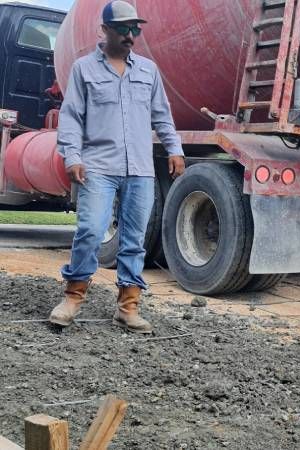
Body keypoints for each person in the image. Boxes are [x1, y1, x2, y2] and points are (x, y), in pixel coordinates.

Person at [48, 1, 185, 334]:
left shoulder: (148, 71)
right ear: (104, 30)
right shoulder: (84, 69)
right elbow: (71, 118)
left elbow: (162, 116)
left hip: (139, 169)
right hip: (99, 167)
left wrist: (175, 148)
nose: (131, 35)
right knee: (92, 231)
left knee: (134, 240)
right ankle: (73, 297)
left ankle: (128, 307)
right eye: (123, 28)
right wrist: (72, 156)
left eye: (135, 28)